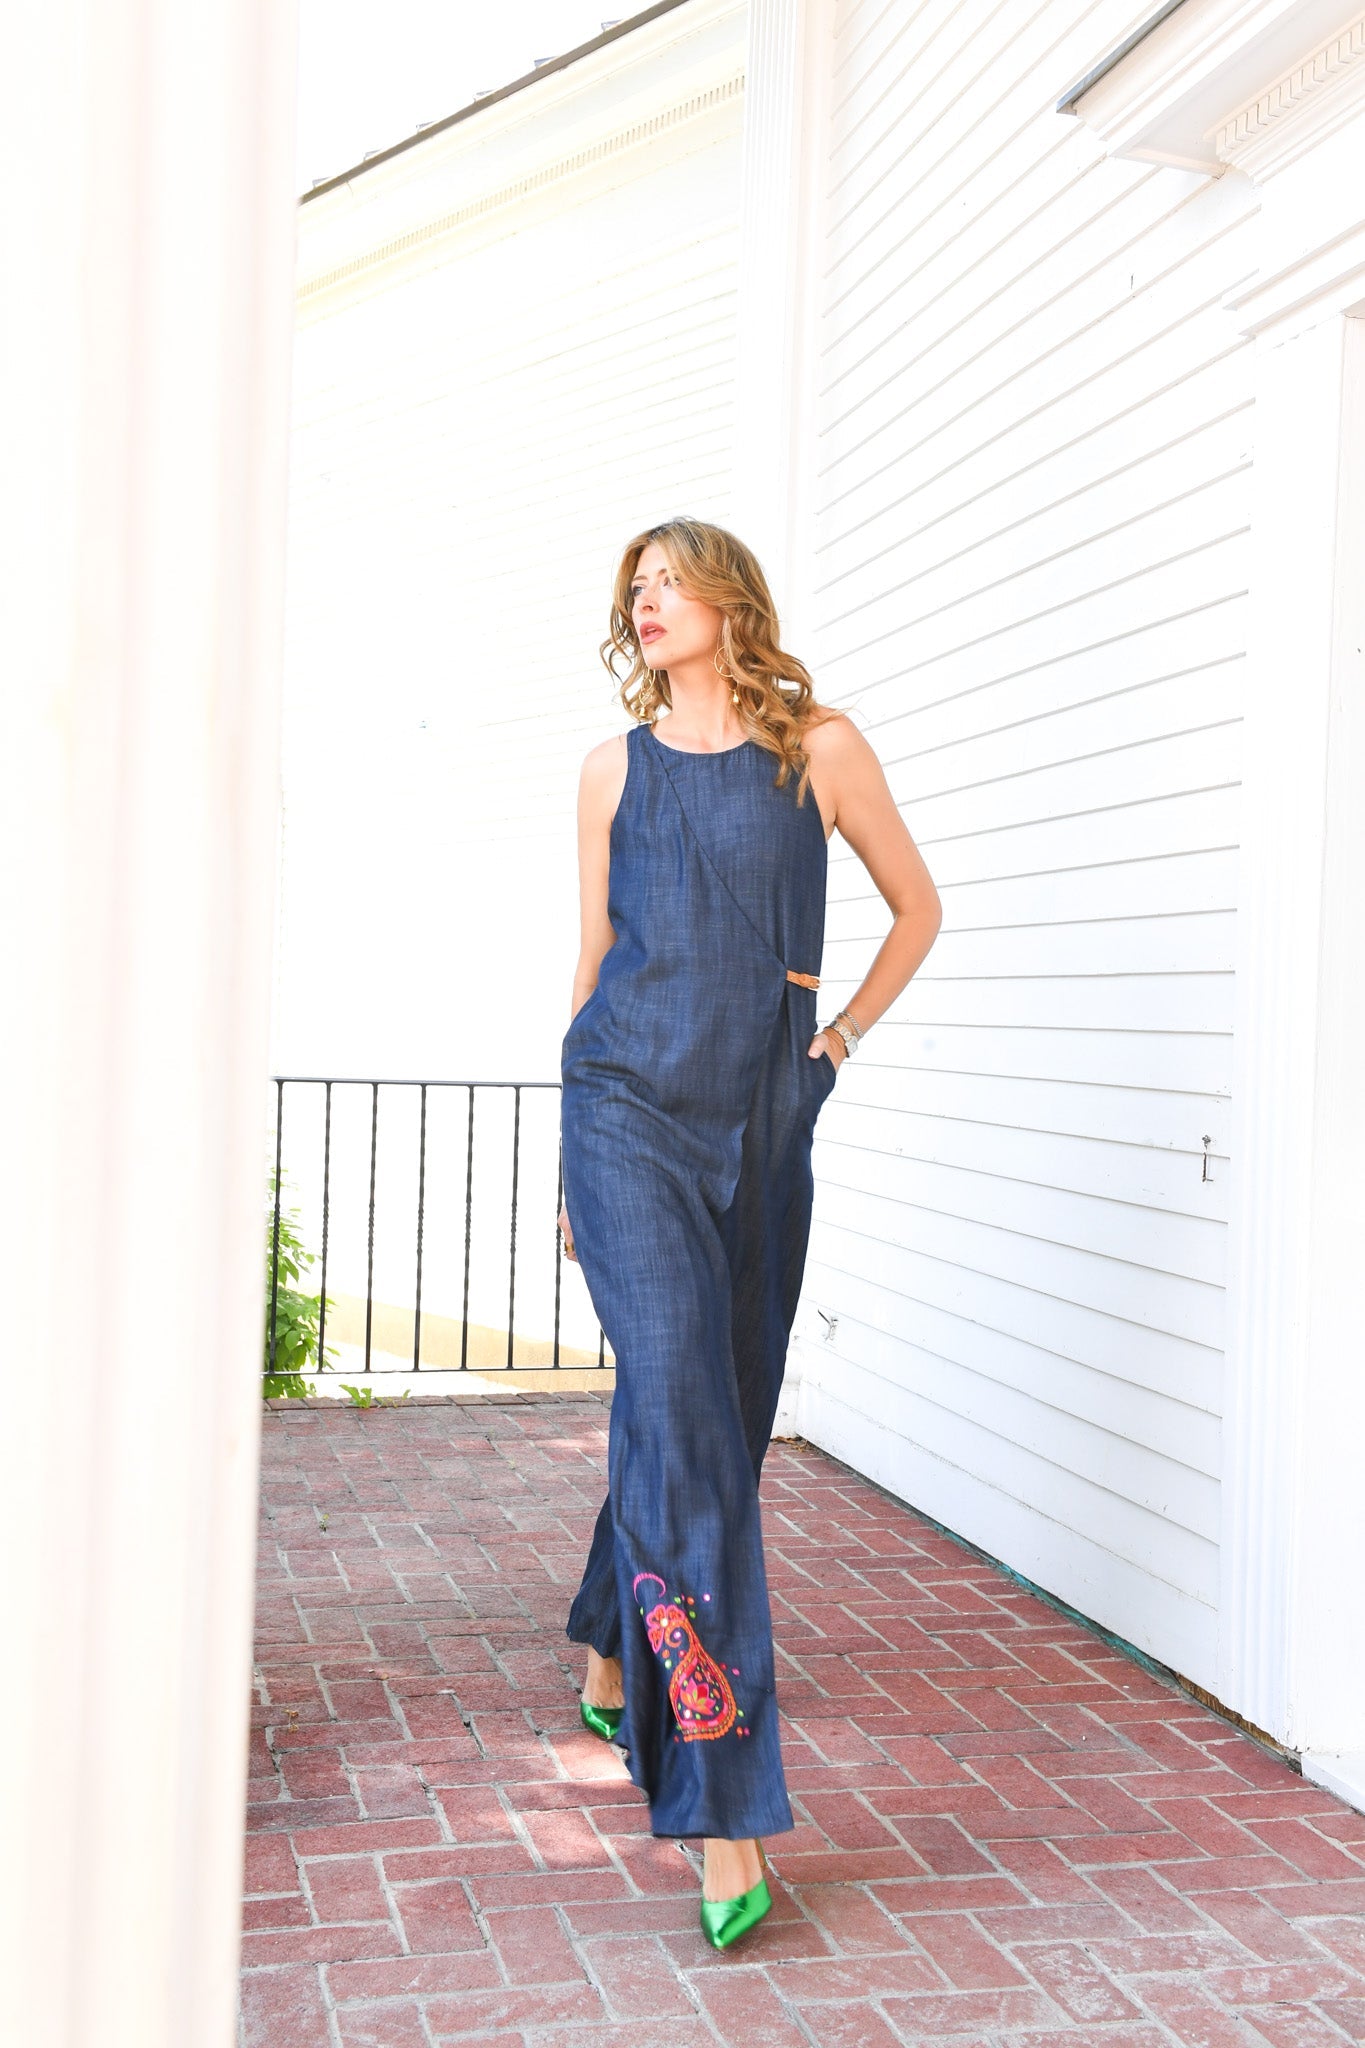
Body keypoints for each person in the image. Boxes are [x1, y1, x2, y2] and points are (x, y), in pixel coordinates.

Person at [556, 517, 941, 1948]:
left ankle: (611, 1639)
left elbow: (916, 911)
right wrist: (569, 1168)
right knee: (683, 1416)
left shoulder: (818, 753)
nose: (648, 604)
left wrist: (829, 1046)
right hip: (622, 1112)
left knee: (716, 1416)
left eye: (670, 581)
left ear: (729, 598)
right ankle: (722, 1815)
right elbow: (595, 962)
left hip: (763, 1125)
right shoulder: (610, 772)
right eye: (634, 590)